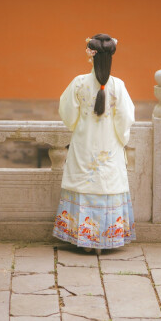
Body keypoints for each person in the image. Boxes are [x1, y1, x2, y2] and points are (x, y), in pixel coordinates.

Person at [53, 33, 136, 254]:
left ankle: (84, 240)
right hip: (109, 147)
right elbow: (126, 118)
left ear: (91, 56)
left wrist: (77, 125)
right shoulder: (118, 85)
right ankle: (104, 241)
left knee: (83, 186)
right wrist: (122, 138)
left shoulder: (79, 83)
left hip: (84, 144)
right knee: (107, 185)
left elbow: (66, 111)